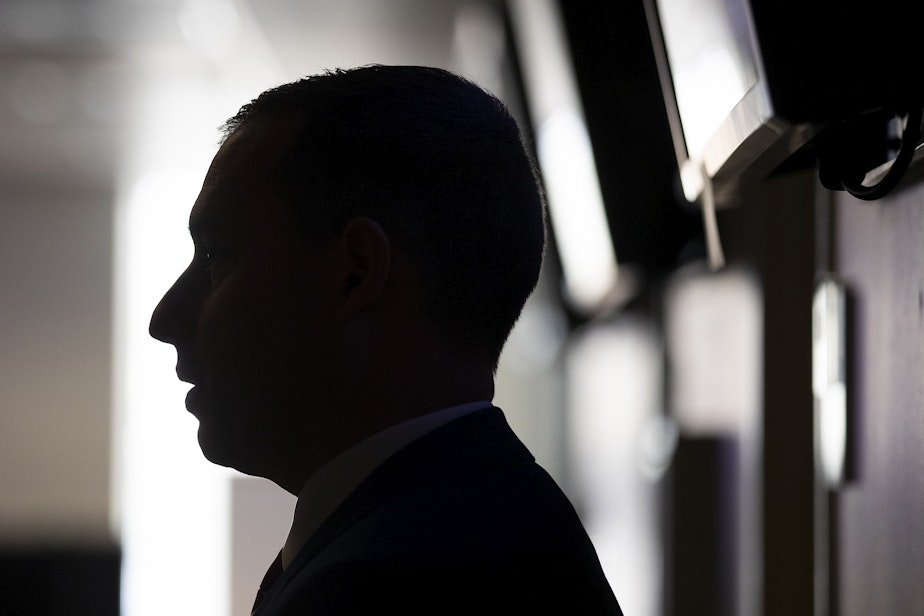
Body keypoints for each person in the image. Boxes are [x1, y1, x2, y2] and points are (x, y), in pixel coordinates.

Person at [149, 64, 622, 615]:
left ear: (356, 271)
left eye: (215, 257)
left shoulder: (386, 585)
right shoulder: (476, 523)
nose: (164, 318)